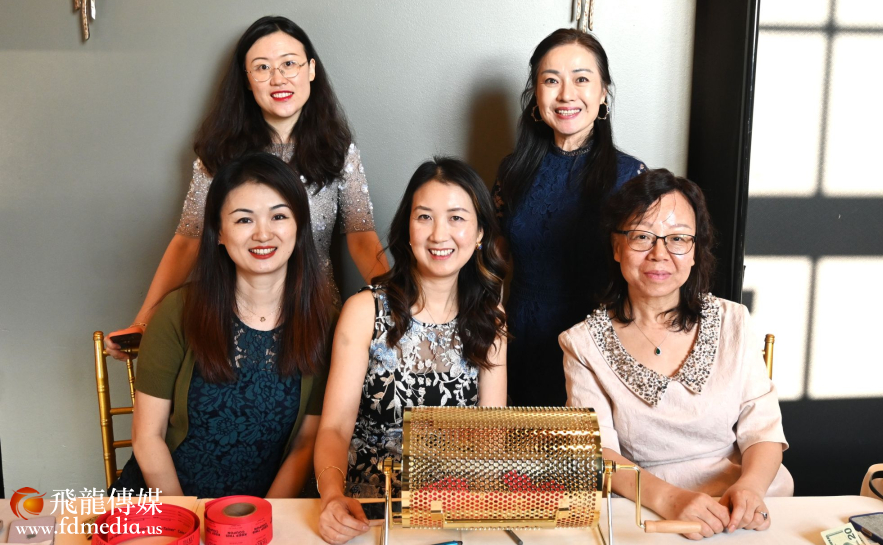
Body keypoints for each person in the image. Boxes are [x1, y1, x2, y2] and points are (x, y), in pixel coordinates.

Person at [106, 15, 387, 359]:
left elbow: (361, 238)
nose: (278, 78)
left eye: (289, 64)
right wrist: (143, 322)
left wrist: (399, 308)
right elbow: (188, 241)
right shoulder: (221, 154)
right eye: (262, 67)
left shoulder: (339, 152)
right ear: (247, 81)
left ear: (311, 69)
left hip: (315, 317)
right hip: (234, 320)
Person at [559, 169, 793, 541]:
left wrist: (750, 488)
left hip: (743, 507)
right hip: (648, 510)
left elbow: (763, 429)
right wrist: (670, 498)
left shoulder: (733, 321)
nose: (659, 254)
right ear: (617, 247)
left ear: (695, 250)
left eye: (678, 238)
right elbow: (598, 452)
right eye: (642, 236)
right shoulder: (582, 344)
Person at [111, 153, 333, 498]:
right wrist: (187, 519)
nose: (263, 234)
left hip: (261, 514)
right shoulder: (179, 311)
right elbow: (147, 437)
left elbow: (305, 444)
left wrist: (264, 520)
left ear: (299, 227)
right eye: (244, 220)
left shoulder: (325, 323)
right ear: (218, 233)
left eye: (279, 216)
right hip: (165, 504)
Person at [314, 158, 508, 545]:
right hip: (368, 517)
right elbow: (334, 428)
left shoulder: (490, 317)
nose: (439, 234)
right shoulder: (365, 311)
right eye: (424, 217)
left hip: (454, 518)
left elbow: (492, 432)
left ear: (480, 232)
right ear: (407, 228)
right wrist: (332, 497)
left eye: (456, 218)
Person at [493, 28, 645, 406]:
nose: (565, 95)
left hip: (597, 351)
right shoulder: (512, 171)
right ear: (536, 94)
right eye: (551, 80)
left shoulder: (631, 177)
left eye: (581, 79)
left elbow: (646, 277)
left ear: (603, 92)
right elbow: (493, 261)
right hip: (519, 343)